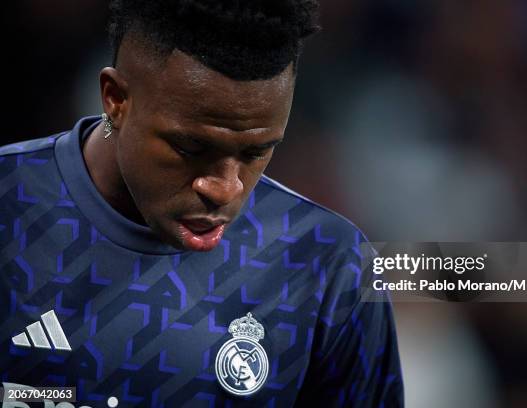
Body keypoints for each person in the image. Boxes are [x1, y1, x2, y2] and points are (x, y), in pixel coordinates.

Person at [0, 1, 403, 406]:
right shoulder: (9, 201)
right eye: (192, 146)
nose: (225, 189)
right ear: (115, 100)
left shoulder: (327, 263)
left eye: (255, 152)